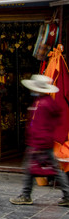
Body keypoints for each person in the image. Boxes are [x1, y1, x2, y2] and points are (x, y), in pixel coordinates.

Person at [10, 74, 69, 207]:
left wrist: (37, 143)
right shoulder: (47, 102)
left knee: (32, 168)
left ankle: (26, 195)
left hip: (39, 142)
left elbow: (39, 125)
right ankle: (66, 194)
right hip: (44, 141)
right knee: (53, 169)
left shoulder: (42, 104)